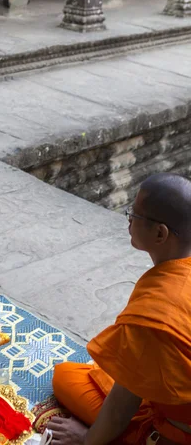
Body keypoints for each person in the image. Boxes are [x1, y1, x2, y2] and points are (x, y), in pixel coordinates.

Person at [48, 173, 191, 445]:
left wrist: (87, 439)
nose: (128, 221)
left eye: (134, 216)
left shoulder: (159, 311)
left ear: (160, 233)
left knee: (65, 377)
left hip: (180, 428)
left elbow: (122, 405)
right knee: (112, 366)